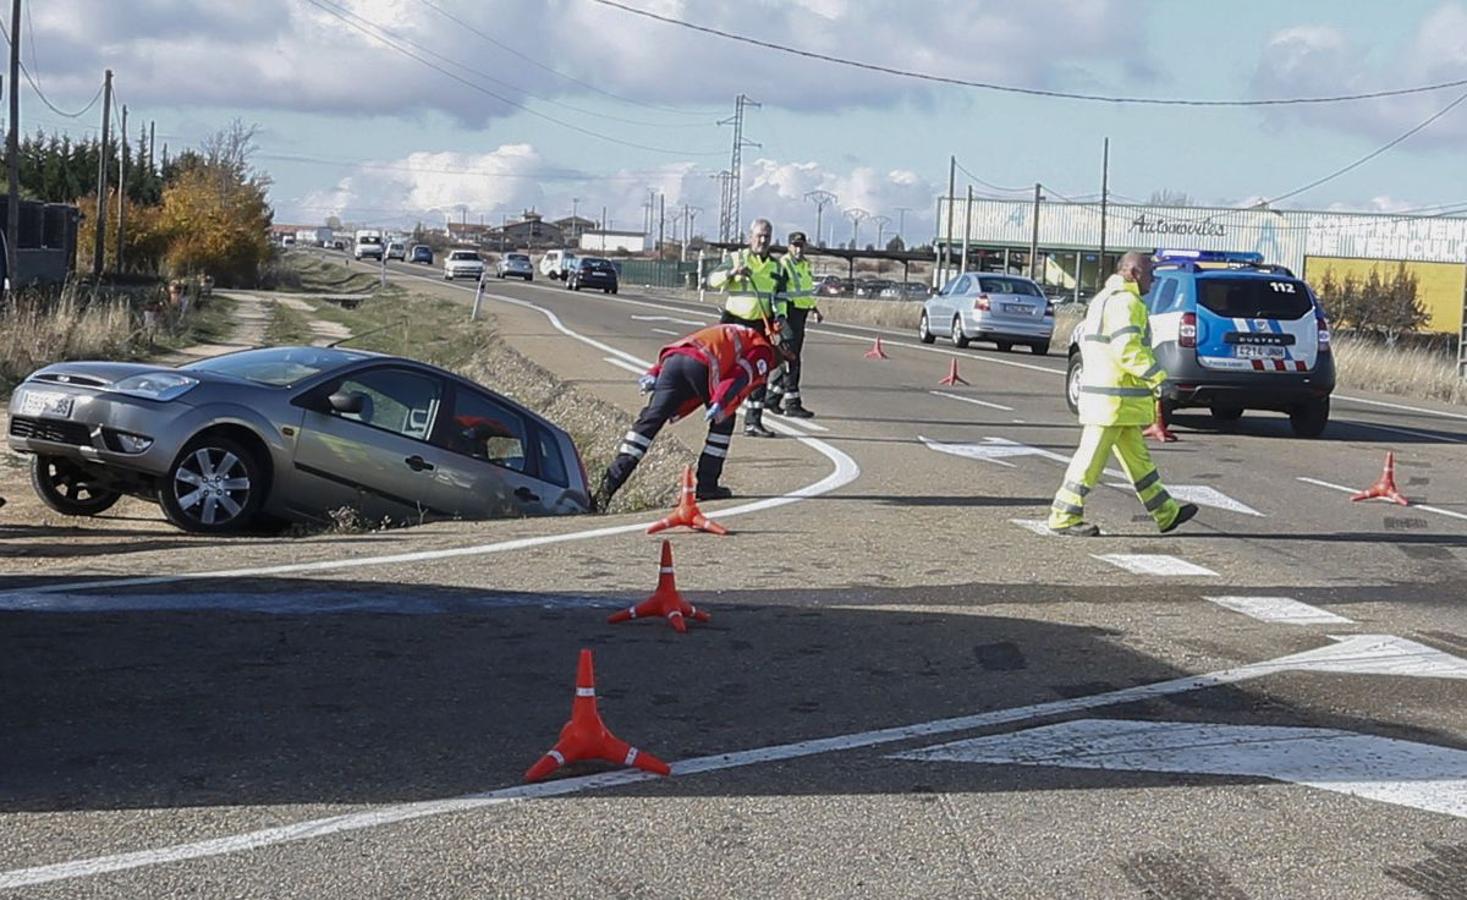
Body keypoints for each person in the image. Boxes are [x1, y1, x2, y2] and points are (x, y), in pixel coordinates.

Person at [1048, 251, 1198, 537]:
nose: (1154, 279)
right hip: (1112, 401)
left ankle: (1166, 512)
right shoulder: (1126, 302)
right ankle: (1063, 515)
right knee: (1089, 460)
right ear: (1134, 272)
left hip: (1117, 402)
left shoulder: (1105, 299)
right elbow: (1127, 349)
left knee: (1139, 462)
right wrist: (1158, 379)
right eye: (1150, 273)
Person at [595, 323, 782, 511]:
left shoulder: (733, 332)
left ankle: (605, 491)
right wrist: (721, 400)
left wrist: (654, 372)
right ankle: (707, 485)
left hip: (672, 361)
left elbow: (686, 350)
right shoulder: (763, 351)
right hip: (703, 365)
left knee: (648, 424)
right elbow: (742, 373)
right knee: (723, 422)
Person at [706, 218, 787, 437]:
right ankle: (718, 411)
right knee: (725, 369)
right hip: (734, 321)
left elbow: (780, 296)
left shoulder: (776, 266)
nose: (762, 240)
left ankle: (753, 421)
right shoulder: (736, 258)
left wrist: (781, 316)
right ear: (750, 236)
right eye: (759, 235)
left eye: (767, 236)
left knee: (760, 371)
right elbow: (711, 280)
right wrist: (732, 273)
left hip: (761, 323)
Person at [767, 231, 823, 418]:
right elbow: (778, 293)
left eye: (801, 245)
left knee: (790, 358)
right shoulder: (784, 265)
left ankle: (771, 398)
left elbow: (804, 292)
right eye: (795, 245)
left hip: (801, 313)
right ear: (789, 246)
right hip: (787, 314)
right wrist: (779, 316)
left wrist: (814, 308)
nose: (798, 249)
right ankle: (792, 403)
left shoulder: (805, 265)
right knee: (792, 360)